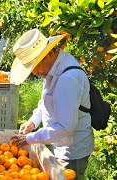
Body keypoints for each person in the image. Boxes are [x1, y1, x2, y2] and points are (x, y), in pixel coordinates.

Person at [9, 29, 94, 180]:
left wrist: (29, 139)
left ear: (49, 54)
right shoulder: (54, 68)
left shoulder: (67, 78)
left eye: (35, 65)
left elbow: (64, 126)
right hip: (60, 143)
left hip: (72, 150)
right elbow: (46, 101)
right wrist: (33, 121)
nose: (34, 72)